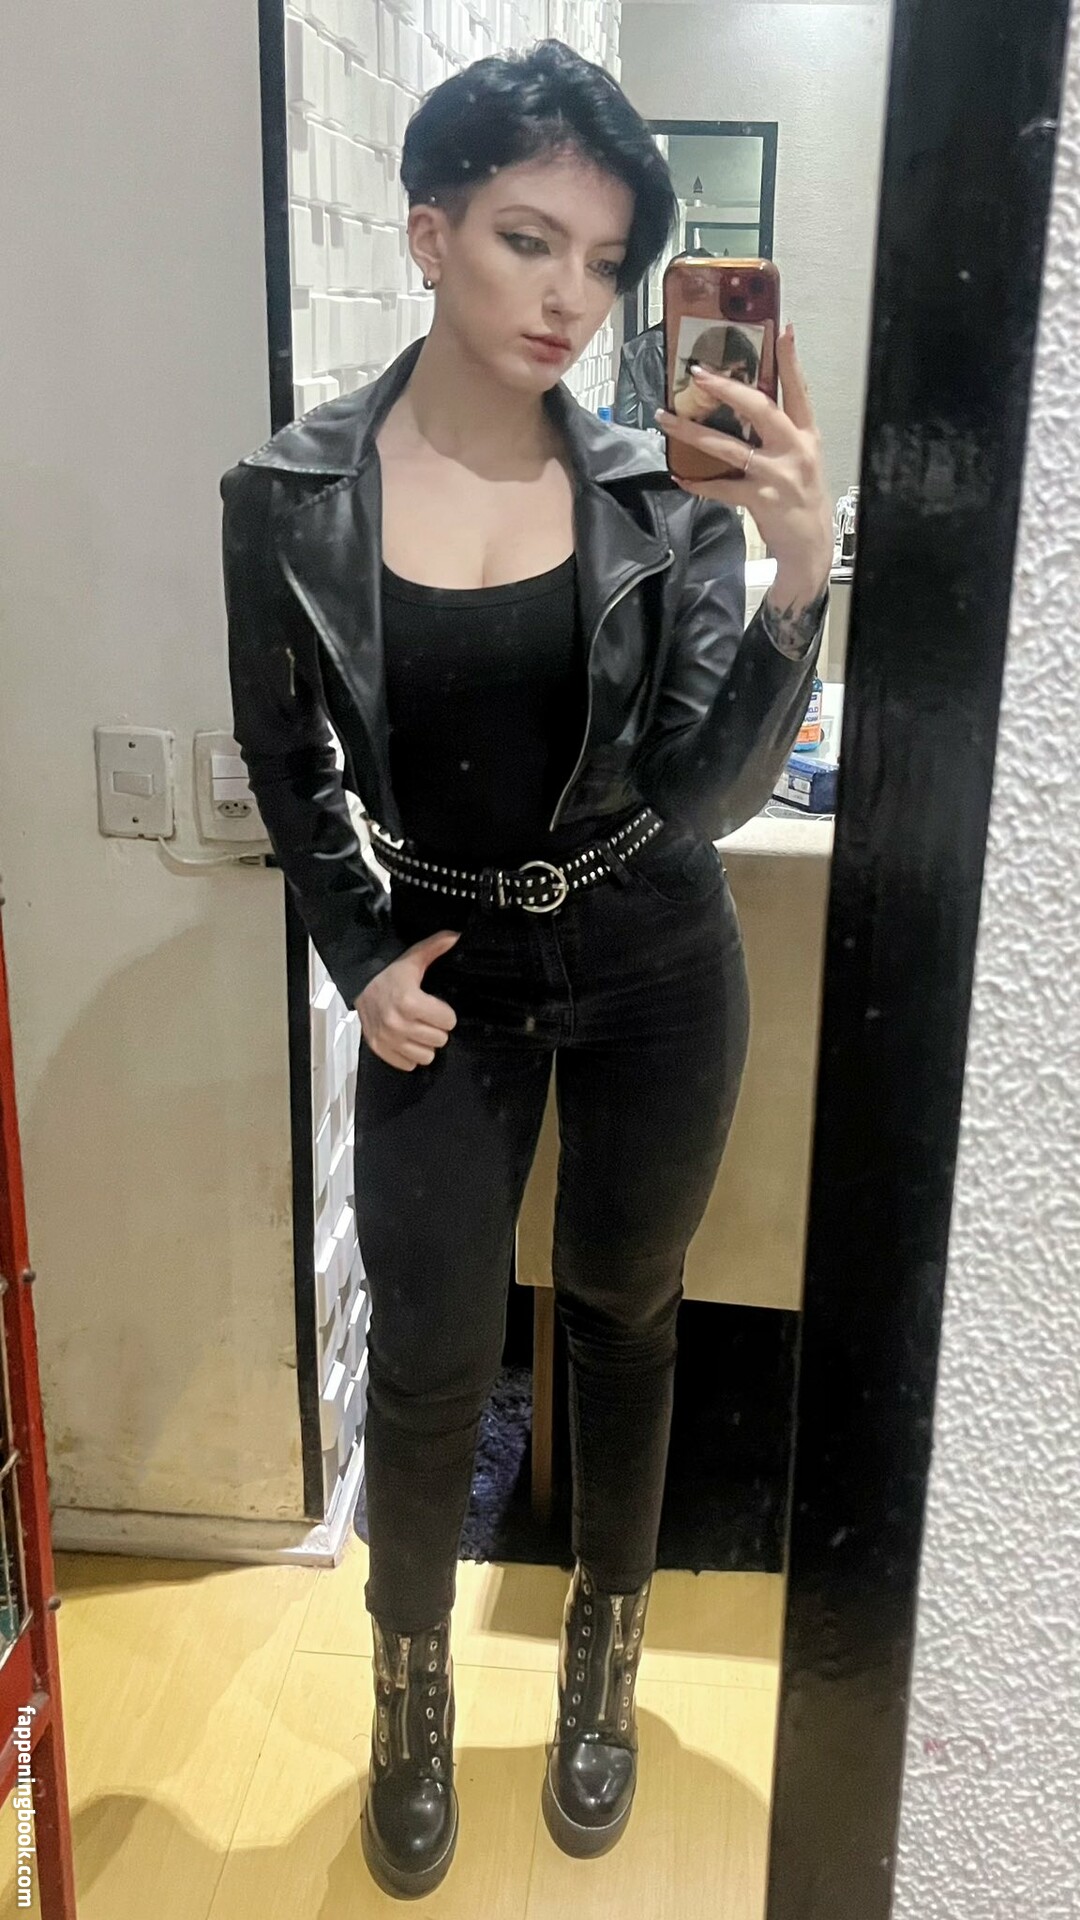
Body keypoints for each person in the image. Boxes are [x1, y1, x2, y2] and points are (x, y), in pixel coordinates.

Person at [220, 39, 833, 1900]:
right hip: (445, 970)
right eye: (526, 239)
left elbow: (709, 797)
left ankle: (600, 1675)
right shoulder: (289, 496)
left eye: (606, 260)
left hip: (655, 953)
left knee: (625, 1316)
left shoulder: (661, 493)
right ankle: (409, 1705)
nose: (572, 295)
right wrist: (356, 955)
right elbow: (285, 759)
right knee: (427, 1358)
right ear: (429, 233)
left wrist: (796, 573)